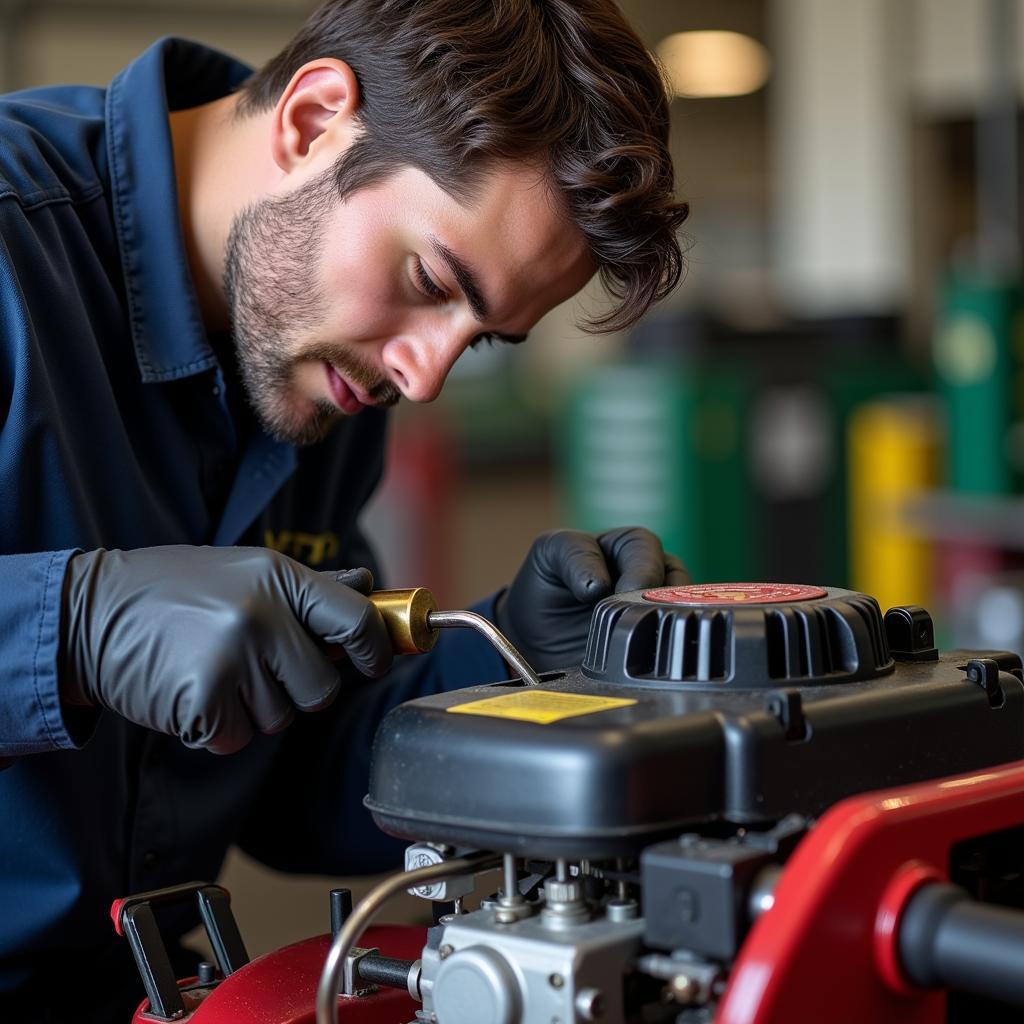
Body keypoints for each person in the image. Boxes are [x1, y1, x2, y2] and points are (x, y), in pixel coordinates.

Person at [0, 0, 689, 1018]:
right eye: (429, 279)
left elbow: (292, 774)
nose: (425, 377)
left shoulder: (318, 363)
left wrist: (506, 670)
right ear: (316, 119)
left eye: (480, 338)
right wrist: (66, 629)